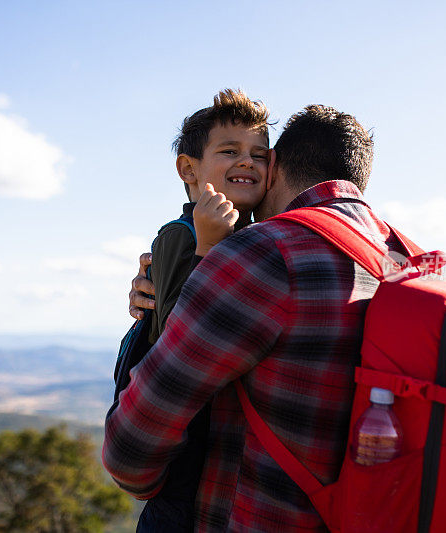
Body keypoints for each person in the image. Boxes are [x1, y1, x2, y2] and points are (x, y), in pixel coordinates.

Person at [104, 104, 407, 531]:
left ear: (275, 165)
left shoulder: (265, 254)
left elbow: (130, 451)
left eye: (259, 154)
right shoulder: (403, 259)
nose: (247, 162)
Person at [113, 88, 271, 532]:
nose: (247, 162)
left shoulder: (255, 238)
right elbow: (178, 344)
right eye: (229, 151)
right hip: (183, 459)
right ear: (188, 168)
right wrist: (207, 246)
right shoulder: (180, 236)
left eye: (260, 155)